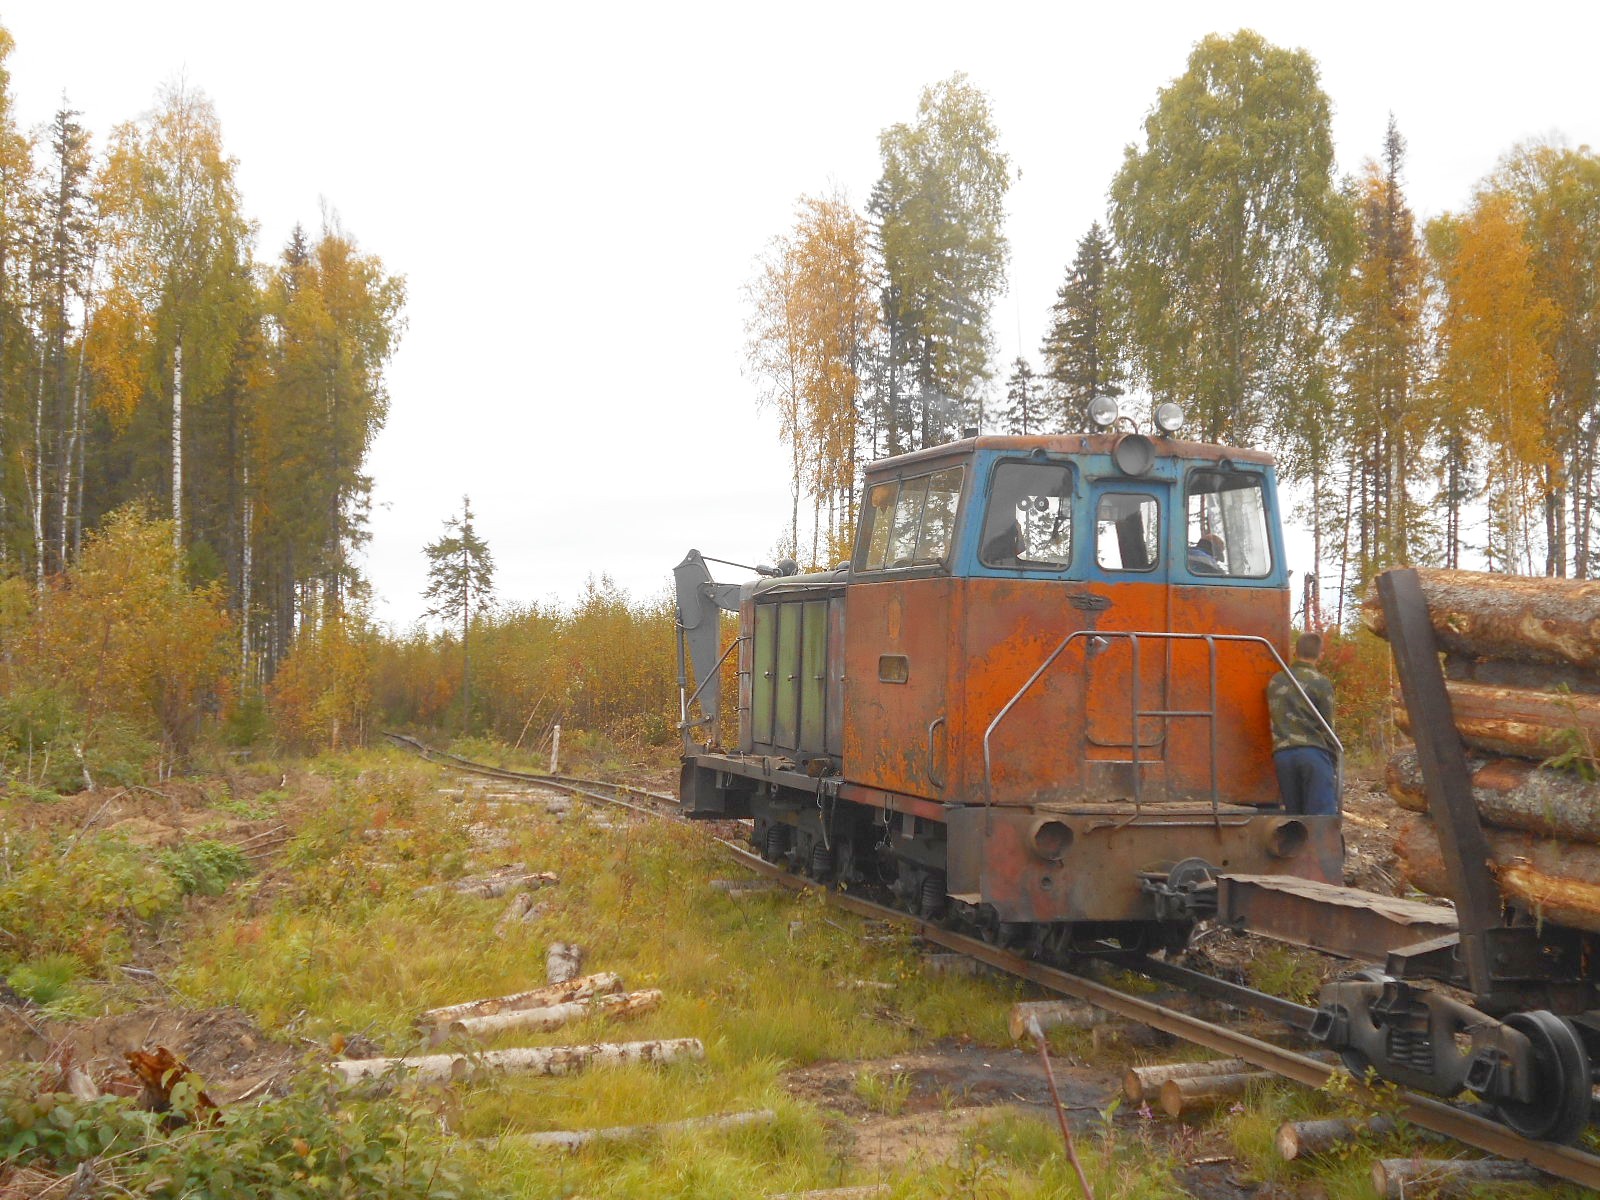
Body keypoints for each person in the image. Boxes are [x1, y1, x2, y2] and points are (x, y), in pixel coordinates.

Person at [1267, 632, 1339, 816]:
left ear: (1294, 651)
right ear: (1320, 655)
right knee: (1321, 818)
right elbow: (1327, 726)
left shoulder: (1276, 681)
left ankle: (1297, 846)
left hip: (1283, 756)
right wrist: (1333, 762)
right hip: (1313, 753)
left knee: (1296, 820)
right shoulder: (1321, 683)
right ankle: (1321, 845)